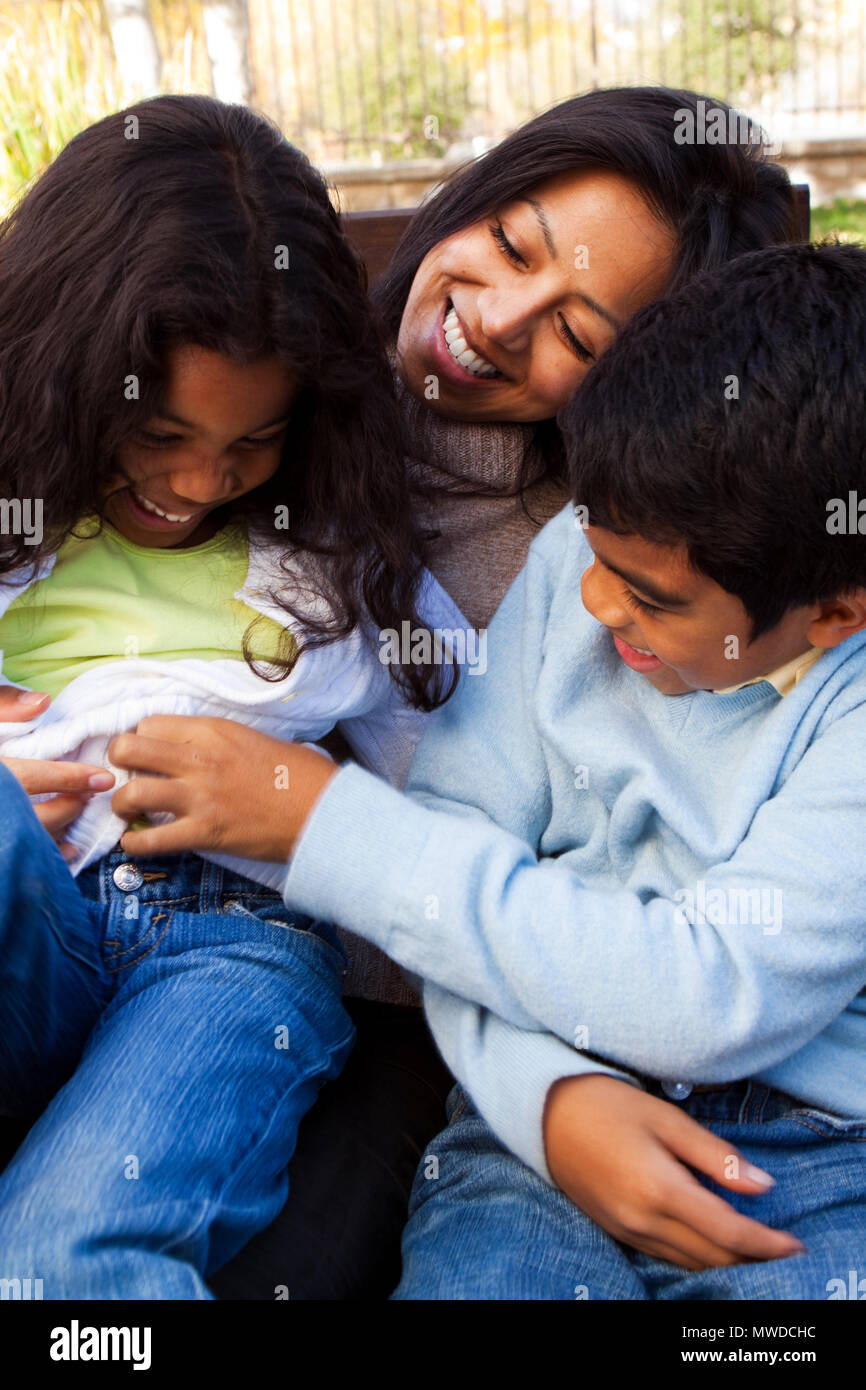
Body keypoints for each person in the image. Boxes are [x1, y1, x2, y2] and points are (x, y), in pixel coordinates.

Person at [117, 241, 866, 1298]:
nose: (597, 611)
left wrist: (328, 828)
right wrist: (546, 1098)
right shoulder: (580, 556)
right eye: (592, 559)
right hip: (519, 1131)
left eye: (650, 599)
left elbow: (709, 989)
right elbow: (458, 841)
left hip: (808, 1158)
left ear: (835, 614)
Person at [0, 92, 465, 1298]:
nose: (200, 479)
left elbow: (479, 797)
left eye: (251, 441)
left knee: (55, 1268)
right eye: (154, 430)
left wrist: (315, 808)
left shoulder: (345, 557)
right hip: (28, 918)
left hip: (224, 946)